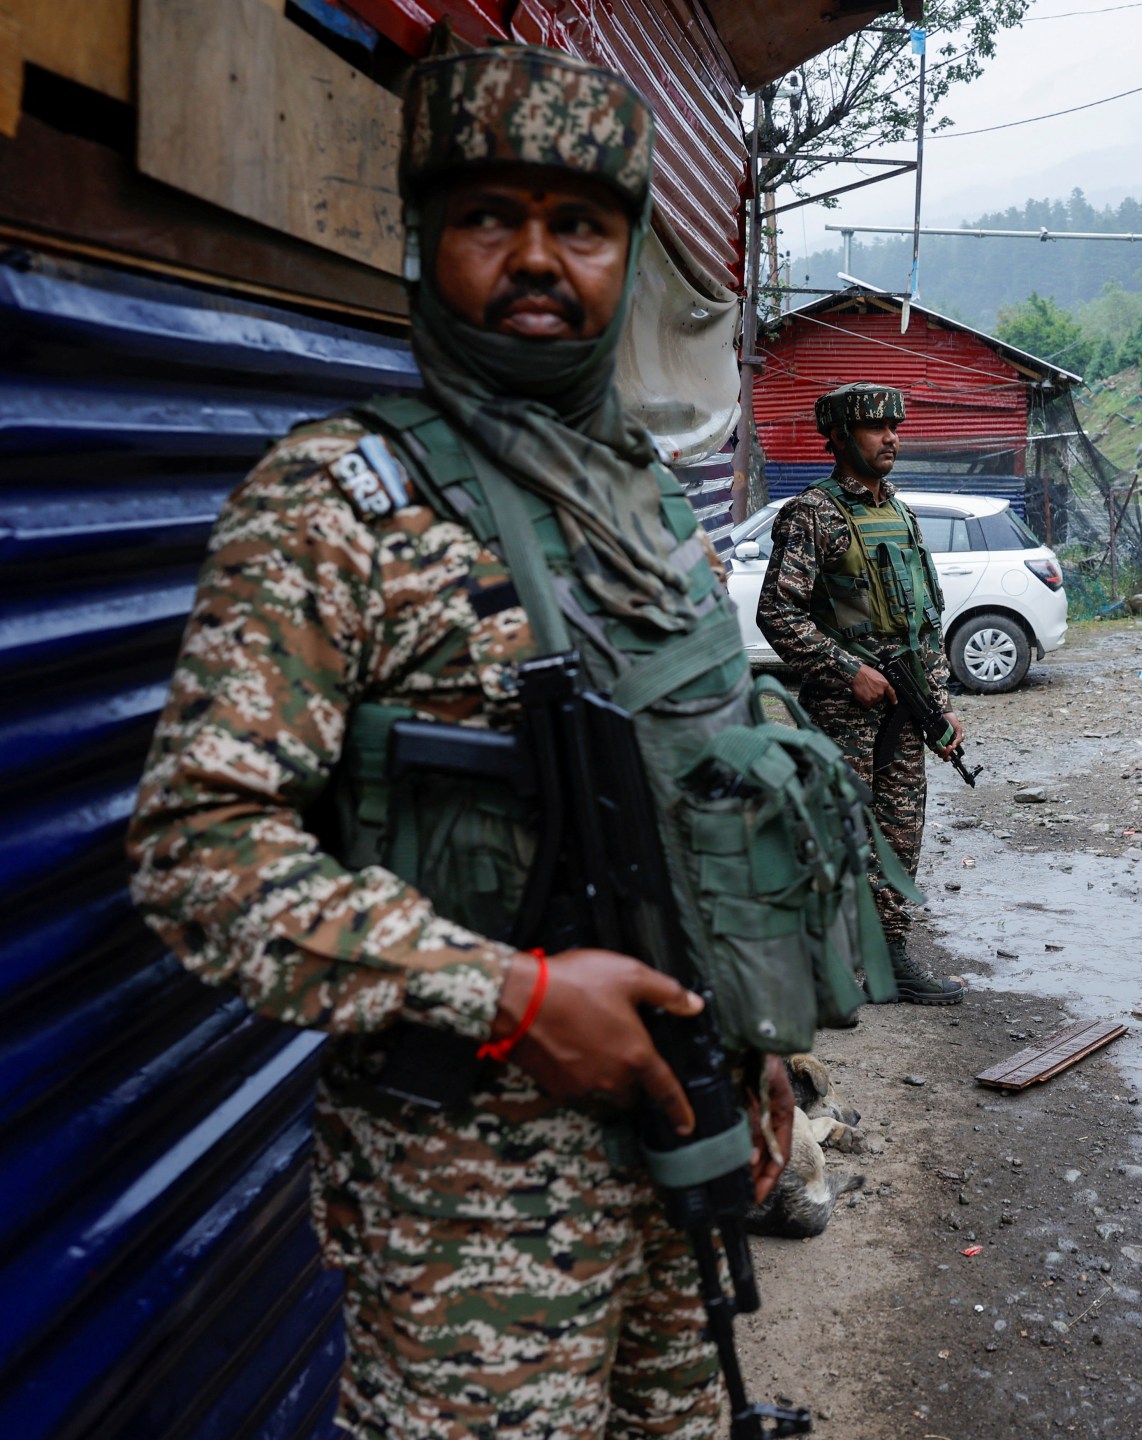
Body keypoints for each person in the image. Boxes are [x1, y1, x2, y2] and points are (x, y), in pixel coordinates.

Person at [126, 45, 793, 1440]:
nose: (539, 258)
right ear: (426, 240)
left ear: (626, 258)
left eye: (583, 225)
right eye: (493, 216)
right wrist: (505, 994)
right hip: (468, 1222)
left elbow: (705, 798)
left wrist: (763, 1046)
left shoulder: (646, 502)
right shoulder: (333, 501)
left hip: (683, 1147)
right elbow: (199, 854)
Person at [756, 383, 966, 1005]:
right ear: (841, 437)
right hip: (842, 711)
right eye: (876, 428)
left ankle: (889, 958)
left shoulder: (901, 515)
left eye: (895, 427)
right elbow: (777, 613)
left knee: (900, 831)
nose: (891, 438)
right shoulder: (812, 513)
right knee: (834, 831)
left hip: (904, 705)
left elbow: (923, 621)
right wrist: (848, 670)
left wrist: (940, 703)